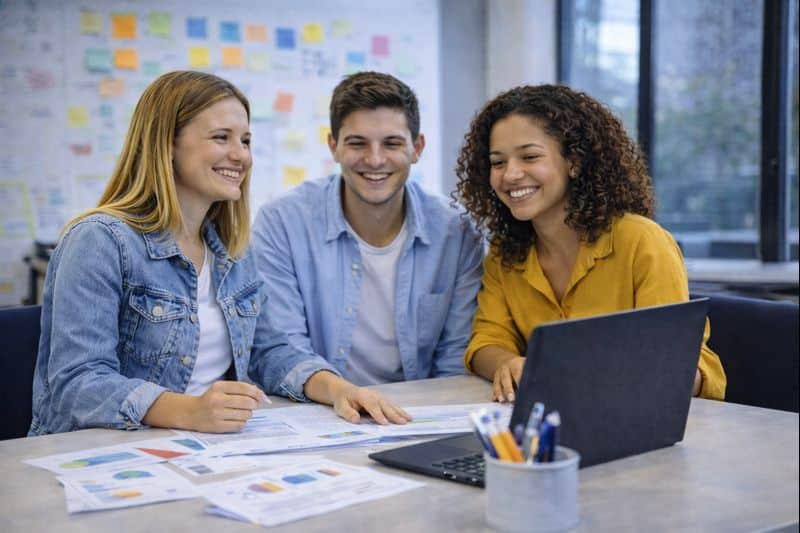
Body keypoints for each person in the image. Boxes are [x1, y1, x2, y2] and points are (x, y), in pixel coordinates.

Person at [29, 71, 313, 435]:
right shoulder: (100, 241)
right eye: (221, 138)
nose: (240, 155)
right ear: (167, 144)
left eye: (245, 140)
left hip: (205, 449)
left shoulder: (234, 249)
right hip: (107, 453)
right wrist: (190, 411)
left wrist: (339, 390)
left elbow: (269, 351)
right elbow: (78, 383)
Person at [454, 84, 726, 403]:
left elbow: (677, 368)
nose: (510, 174)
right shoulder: (505, 253)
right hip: (557, 422)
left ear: (575, 162)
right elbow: (486, 340)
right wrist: (506, 363)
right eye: (498, 162)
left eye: (529, 156)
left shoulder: (642, 242)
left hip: (649, 421)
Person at [251, 71, 483, 423]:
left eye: (391, 144)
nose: (375, 160)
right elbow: (278, 349)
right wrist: (340, 392)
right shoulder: (281, 223)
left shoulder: (458, 232)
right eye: (358, 143)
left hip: (417, 416)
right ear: (334, 147)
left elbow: (455, 358)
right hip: (319, 412)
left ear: (416, 148)